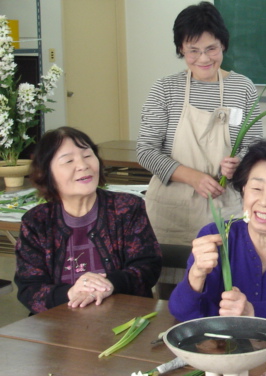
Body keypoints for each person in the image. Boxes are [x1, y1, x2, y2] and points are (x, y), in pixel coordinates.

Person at [137, 1, 263, 246]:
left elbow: (254, 146)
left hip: (225, 208)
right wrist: (192, 177)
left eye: (211, 49)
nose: (204, 58)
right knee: (172, 271)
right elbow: (146, 150)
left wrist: (240, 163)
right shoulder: (165, 89)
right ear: (181, 49)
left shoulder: (242, 88)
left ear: (223, 44)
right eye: (193, 50)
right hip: (171, 212)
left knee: (225, 269)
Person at [168, 140, 266, 326]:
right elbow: (182, 312)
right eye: (257, 189)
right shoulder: (216, 235)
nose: (264, 201)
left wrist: (252, 311)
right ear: (244, 191)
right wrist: (197, 273)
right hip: (219, 341)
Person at [14, 127, 162, 314]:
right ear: (47, 173)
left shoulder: (127, 208)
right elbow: (29, 289)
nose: (83, 165)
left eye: (87, 155)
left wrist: (107, 283)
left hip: (124, 319)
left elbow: (147, 268)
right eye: (69, 160)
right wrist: (71, 292)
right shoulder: (36, 221)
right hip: (58, 324)